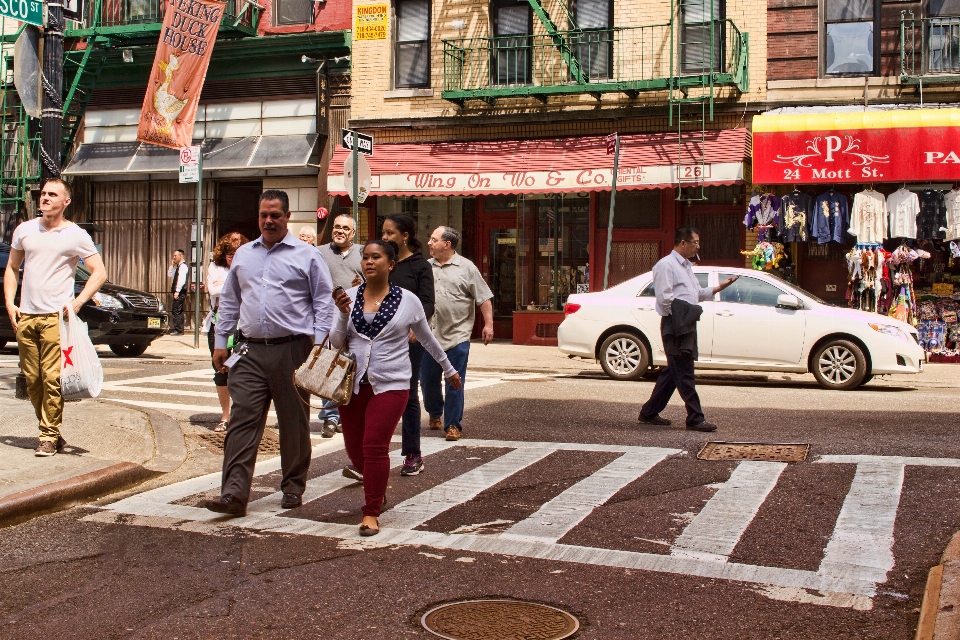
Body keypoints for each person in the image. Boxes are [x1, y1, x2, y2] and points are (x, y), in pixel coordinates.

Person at [205, 190, 334, 517]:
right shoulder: (245, 255)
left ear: (287, 217)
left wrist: (318, 347)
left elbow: (323, 303)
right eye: (263, 215)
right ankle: (233, 493)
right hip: (248, 351)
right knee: (242, 419)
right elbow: (230, 302)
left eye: (275, 215)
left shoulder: (308, 256)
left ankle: (292, 486)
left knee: (293, 423)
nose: (268, 221)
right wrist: (222, 342)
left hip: (293, 350)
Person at [331, 239, 461, 536]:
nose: (369, 262)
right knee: (355, 451)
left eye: (376, 257)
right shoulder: (348, 298)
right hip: (352, 384)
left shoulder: (408, 301)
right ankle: (376, 489)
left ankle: (370, 513)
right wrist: (340, 314)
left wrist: (449, 370)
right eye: (365, 257)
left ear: (391, 264)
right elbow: (335, 342)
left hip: (392, 383)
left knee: (374, 445)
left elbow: (427, 339)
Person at [3, 178, 107, 457]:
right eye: (43, 193)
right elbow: (12, 267)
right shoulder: (25, 230)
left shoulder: (75, 235)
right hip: (26, 315)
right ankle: (52, 429)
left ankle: (47, 436)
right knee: (32, 379)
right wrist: (11, 304)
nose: (45, 198)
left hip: (55, 317)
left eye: (52, 194)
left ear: (66, 202)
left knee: (51, 378)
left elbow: (99, 272)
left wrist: (77, 303)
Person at [638, 226, 739, 432]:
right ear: (682, 243)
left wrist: (719, 287)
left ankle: (648, 412)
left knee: (673, 371)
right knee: (684, 371)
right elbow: (665, 298)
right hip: (676, 323)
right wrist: (678, 319)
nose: (697, 247)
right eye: (695, 242)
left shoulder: (685, 267)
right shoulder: (666, 265)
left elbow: (696, 294)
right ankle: (695, 417)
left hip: (686, 321)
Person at [421, 226, 493, 442]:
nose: (429, 243)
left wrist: (488, 324)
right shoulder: (426, 268)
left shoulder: (467, 268)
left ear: (447, 244)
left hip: (457, 336)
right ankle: (435, 413)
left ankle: (453, 424)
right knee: (427, 380)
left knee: (455, 381)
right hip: (429, 336)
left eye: (434, 240)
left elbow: (483, 297)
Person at [382, 214, 434, 476]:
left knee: (408, 394)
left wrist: (416, 326)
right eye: (383, 233)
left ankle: (413, 454)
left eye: (390, 233)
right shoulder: (384, 262)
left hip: (409, 341)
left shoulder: (420, 266)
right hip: (379, 338)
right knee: (374, 394)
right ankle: (370, 454)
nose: (385, 237)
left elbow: (428, 302)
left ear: (405, 236)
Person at [316, 214, 363, 438]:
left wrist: (362, 284)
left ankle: (352, 413)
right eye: (336, 227)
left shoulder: (363, 253)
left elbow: (377, 282)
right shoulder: (320, 253)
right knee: (329, 367)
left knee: (356, 368)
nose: (340, 231)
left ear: (353, 233)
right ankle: (330, 418)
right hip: (328, 318)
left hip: (358, 321)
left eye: (345, 228)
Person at [206, 232, 249, 433]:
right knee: (221, 370)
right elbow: (212, 291)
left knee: (242, 371)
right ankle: (225, 415)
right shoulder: (215, 267)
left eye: (237, 253)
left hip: (244, 328)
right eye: (229, 254)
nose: (232, 257)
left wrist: (221, 285)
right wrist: (229, 285)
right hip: (217, 326)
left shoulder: (248, 266)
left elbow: (247, 290)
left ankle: (242, 416)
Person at [167, 249, 188, 335]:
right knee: (177, 309)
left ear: (181, 256)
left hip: (180, 291)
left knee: (177, 310)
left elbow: (181, 280)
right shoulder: (178, 267)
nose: (174, 257)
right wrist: (172, 266)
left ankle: (178, 330)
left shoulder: (183, 267)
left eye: (175, 256)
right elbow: (170, 274)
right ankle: (178, 329)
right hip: (178, 291)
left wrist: (177, 291)